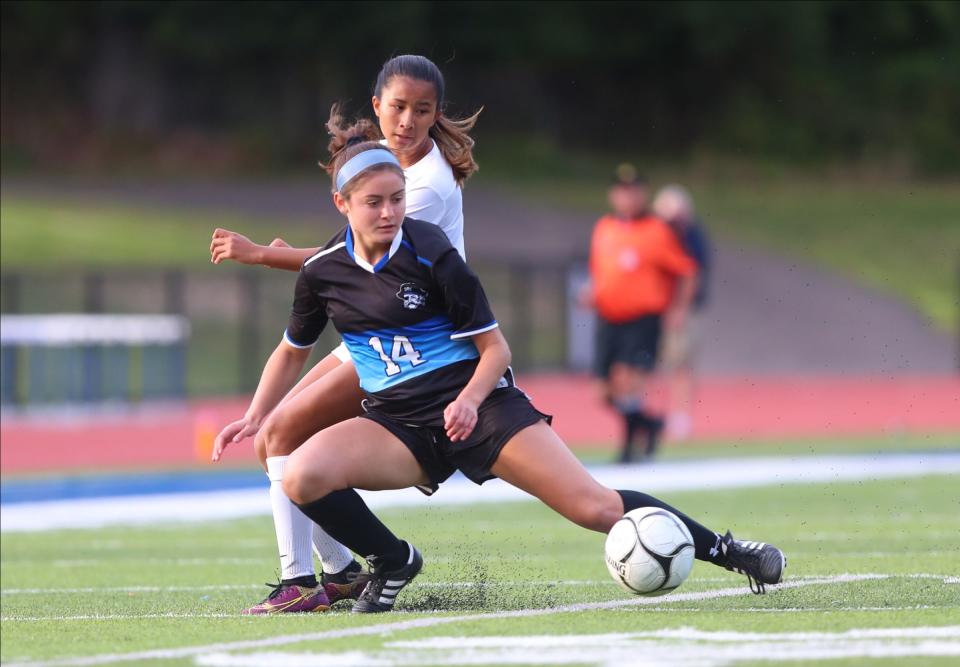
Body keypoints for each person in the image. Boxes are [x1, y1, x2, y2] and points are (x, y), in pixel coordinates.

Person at [220, 134, 787, 616]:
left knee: (595, 507)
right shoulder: (322, 272)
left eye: (397, 199)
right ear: (341, 203)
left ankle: (730, 551)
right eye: (374, 203)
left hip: (483, 408)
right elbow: (292, 350)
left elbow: (495, 349)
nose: (389, 213)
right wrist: (253, 415)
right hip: (399, 423)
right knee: (300, 474)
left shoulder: (431, 249)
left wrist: (467, 400)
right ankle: (393, 561)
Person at [209, 54, 481, 614]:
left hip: (416, 342)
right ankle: (342, 571)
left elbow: (348, 256)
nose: (406, 120)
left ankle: (305, 581)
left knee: (279, 437)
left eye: (421, 111)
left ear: (435, 115)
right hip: (376, 331)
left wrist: (263, 255)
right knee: (274, 440)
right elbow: (343, 256)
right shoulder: (383, 165)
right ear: (377, 105)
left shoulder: (423, 186)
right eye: (398, 107)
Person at [581, 165, 697, 463]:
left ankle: (629, 446)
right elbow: (602, 271)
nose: (627, 198)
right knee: (602, 391)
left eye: (632, 192)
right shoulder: (604, 227)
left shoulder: (657, 230)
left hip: (642, 318)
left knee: (631, 382)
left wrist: (679, 309)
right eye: (621, 191)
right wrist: (593, 293)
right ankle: (648, 424)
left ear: (643, 194)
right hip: (609, 317)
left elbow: (686, 270)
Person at [653, 185, 711, 442]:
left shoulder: (691, 238)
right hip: (657, 308)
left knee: (681, 363)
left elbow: (691, 274)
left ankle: (680, 417)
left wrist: (679, 308)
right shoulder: (658, 236)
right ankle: (655, 416)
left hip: (680, 311)